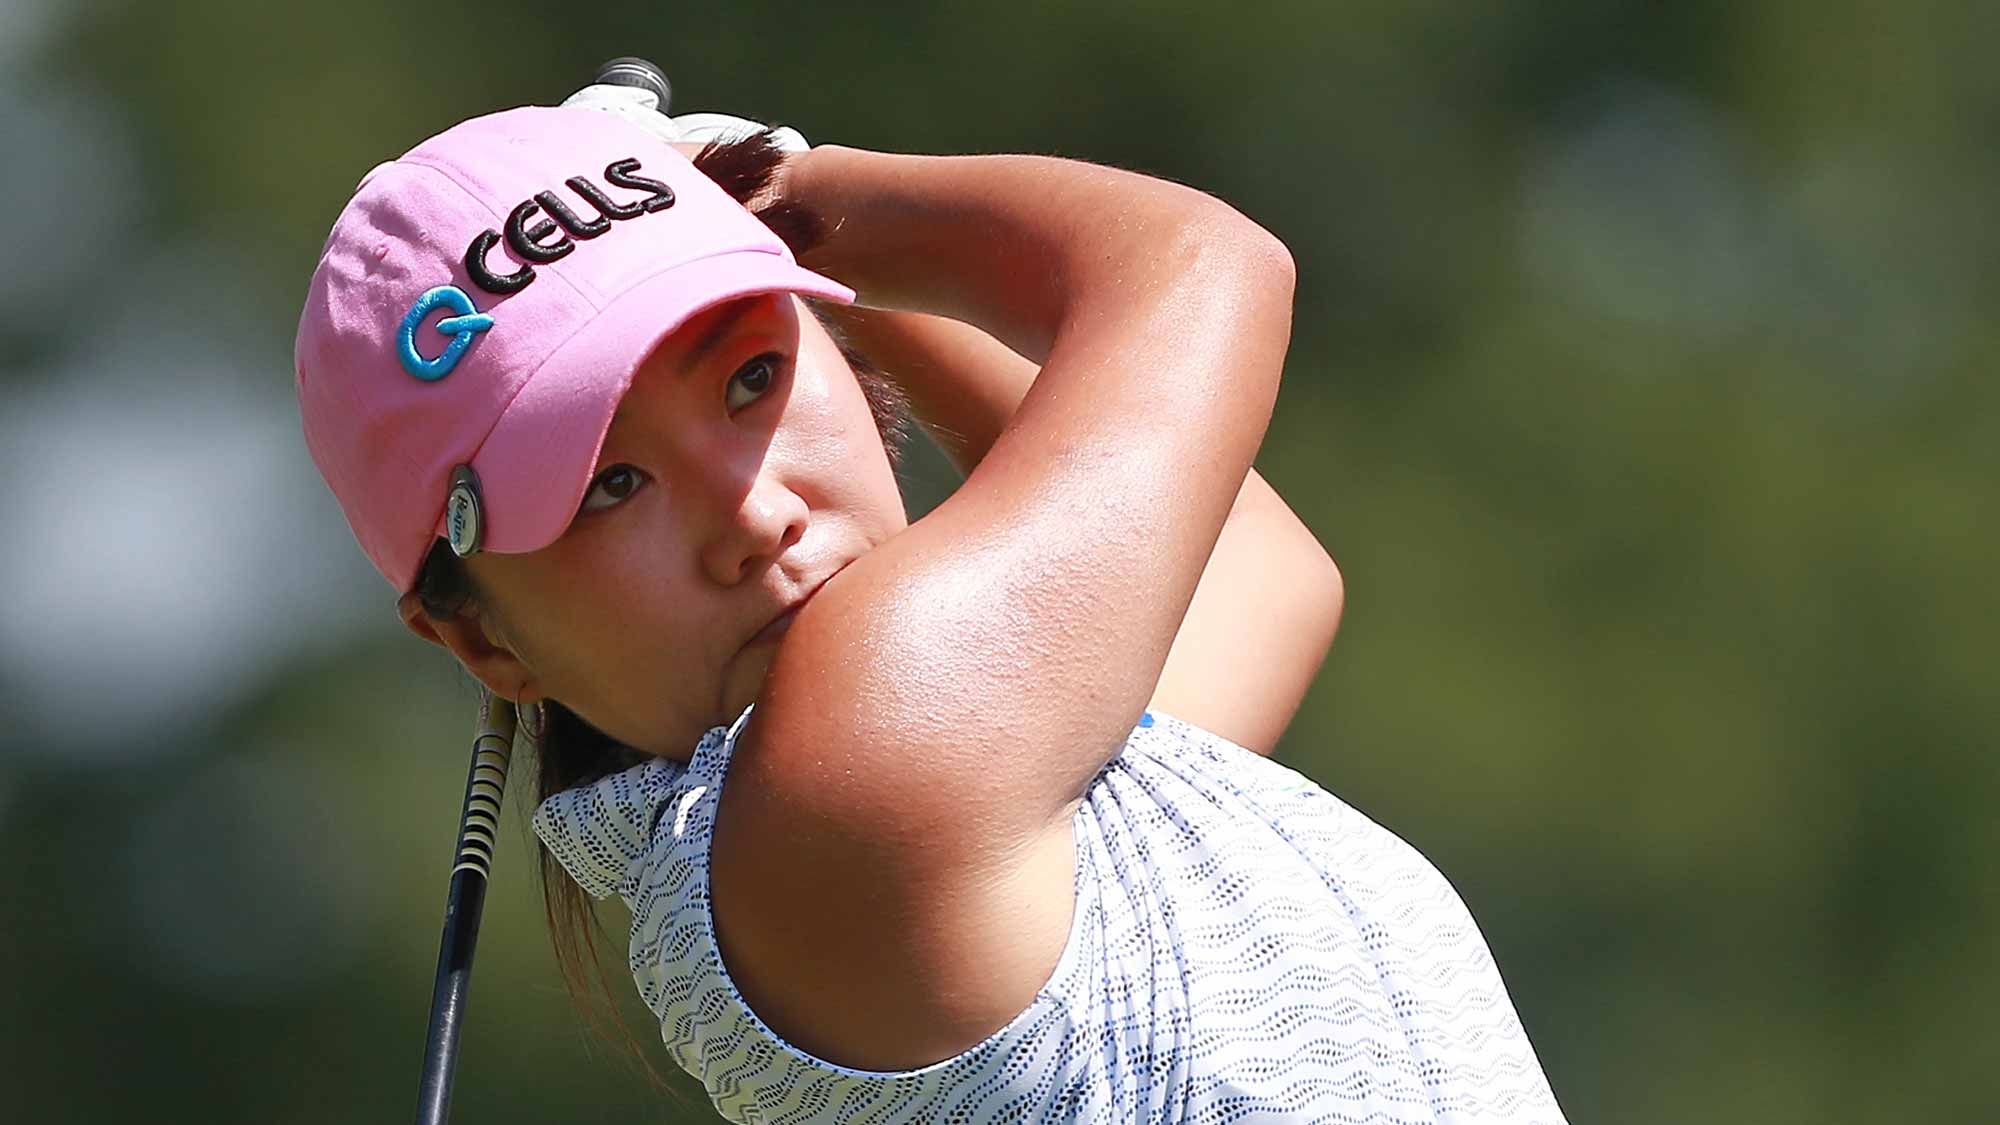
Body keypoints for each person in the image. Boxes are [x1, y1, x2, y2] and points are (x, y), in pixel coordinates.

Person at [294, 79, 1568, 1122]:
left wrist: (761, 250)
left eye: (751, 377)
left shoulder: (926, 798)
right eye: (609, 482)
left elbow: (1254, 565)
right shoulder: (855, 785)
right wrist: (791, 190)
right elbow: (1203, 264)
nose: (750, 515)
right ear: (478, 638)